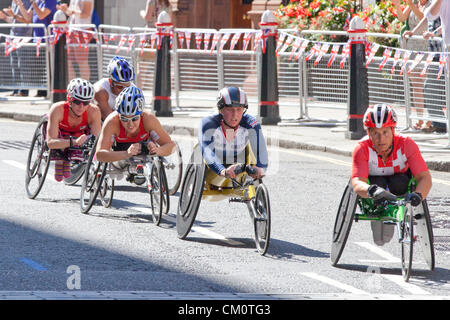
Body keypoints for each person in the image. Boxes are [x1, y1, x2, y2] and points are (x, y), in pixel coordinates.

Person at [351, 104, 432, 245]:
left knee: (399, 182)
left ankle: (393, 216)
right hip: (375, 186)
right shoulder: (362, 148)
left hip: (399, 182)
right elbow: (357, 181)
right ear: (368, 132)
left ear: (393, 130)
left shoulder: (407, 144)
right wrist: (370, 190)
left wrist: (418, 195)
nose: (380, 139)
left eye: (385, 132)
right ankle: (379, 214)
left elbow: (424, 177)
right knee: (378, 185)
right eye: (375, 133)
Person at [95, 86, 175, 183]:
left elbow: (170, 145)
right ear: (118, 115)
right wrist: (126, 153)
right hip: (120, 151)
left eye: (134, 119)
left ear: (141, 114)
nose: (130, 124)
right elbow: (99, 155)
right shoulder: (112, 121)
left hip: (144, 148)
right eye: (124, 119)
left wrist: (158, 150)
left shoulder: (149, 119)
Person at [198, 87, 268, 180]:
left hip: (237, 157)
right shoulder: (208, 123)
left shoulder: (251, 123)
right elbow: (207, 151)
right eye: (229, 109)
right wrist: (222, 170)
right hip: (214, 158)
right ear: (221, 109)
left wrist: (260, 168)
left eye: (239, 109)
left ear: (244, 109)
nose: (235, 115)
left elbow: (261, 149)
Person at [404, 0, 448, 133]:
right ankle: (439, 123)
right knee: (429, 86)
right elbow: (428, 17)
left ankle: (440, 123)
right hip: (438, 53)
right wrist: (416, 32)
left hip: (444, 52)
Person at [46, 78, 101, 182]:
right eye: (77, 102)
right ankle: (60, 160)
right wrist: (74, 142)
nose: (81, 106)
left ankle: (67, 159)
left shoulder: (93, 111)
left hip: (80, 135)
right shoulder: (57, 109)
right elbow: (50, 142)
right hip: (60, 135)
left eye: (85, 103)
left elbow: (96, 140)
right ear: (69, 99)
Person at [392, 0, 432, 131]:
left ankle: (431, 119)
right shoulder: (414, 3)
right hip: (412, 48)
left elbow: (424, 18)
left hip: (425, 49)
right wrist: (397, 5)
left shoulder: (430, 4)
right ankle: (420, 118)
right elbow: (402, 18)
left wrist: (410, 5)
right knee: (416, 85)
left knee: (426, 85)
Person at [20, 0, 57, 97]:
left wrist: (33, 3)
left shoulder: (50, 1)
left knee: (48, 67)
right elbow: (28, 18)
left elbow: (41, 15)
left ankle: (48, 92)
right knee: (40, 67)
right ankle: (41, 91)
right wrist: (20, 5)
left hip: (48, 41)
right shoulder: (37, 2)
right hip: (38, 41)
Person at [0, 0, 32, 97]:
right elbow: (14, 20)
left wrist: (14, 13)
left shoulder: (28, 2)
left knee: (22, 65)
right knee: (14, 65)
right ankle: (16, 90)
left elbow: (27, 20)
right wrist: (5, 17)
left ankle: (24, 91)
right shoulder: (14, 2)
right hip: (13, 37)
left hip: (23, 37)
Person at [57, 0, 94, 81]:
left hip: (82, 31)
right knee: (69, 64)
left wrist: (72, 11)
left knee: (82, 62)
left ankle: (85, 89)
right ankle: (72, 89)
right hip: (72, 30)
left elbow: (86, 14)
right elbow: (70, 13)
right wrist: (64, 9)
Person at [94, 56, 135, 121]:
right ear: (110, 81)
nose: (124, 91)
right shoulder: (100, 91)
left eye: (127, 87)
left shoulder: (133, 90)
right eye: (120, 87)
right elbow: (110, 119)